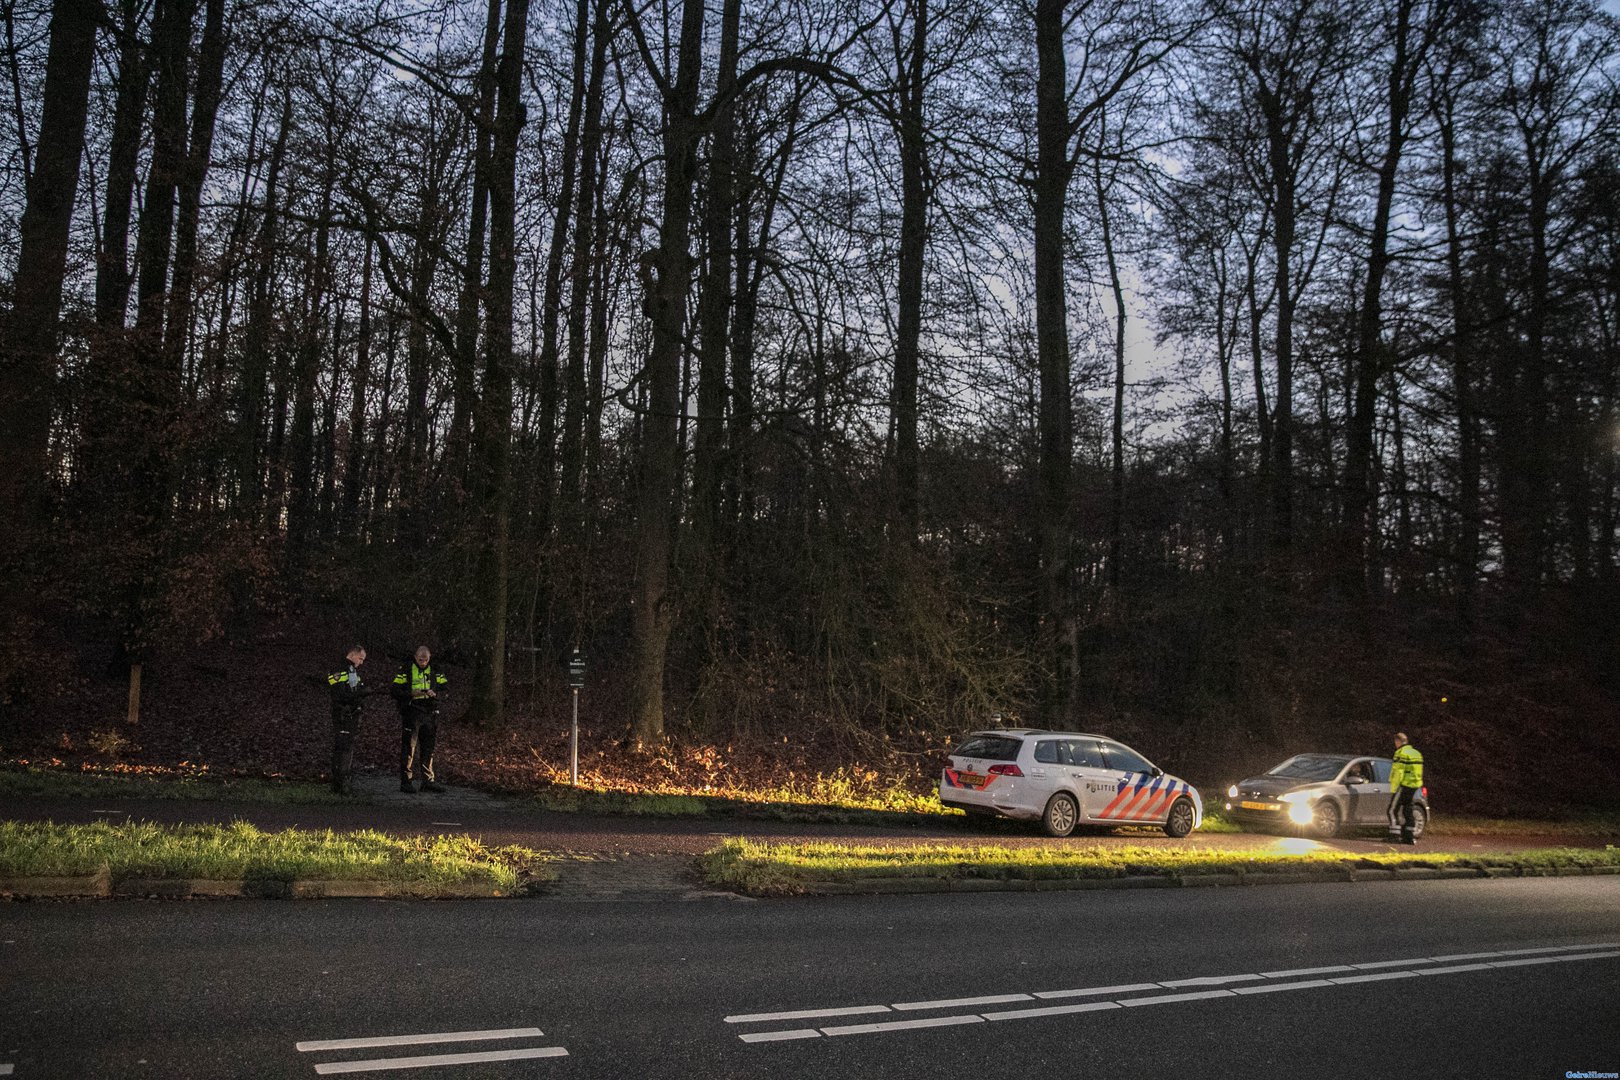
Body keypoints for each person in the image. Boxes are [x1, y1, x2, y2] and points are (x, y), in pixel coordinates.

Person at [393, 645, 449, 793]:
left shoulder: (435, 670)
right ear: (415, 657)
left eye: (425, 660)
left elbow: (445, 689)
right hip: (412, 711)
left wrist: (435, 693)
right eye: (420, 660)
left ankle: (428, 781)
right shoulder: (406, 669)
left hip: (430, 712)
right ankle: (406, 782)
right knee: (409, 748)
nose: (423, 662)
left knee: (428, 748)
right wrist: (411, 693)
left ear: (430, 658)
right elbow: (395, 690)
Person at [325, 645, 371, 795]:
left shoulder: (352, 670)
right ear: (352, 654)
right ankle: (339, 784)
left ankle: (344, 782)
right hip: (342, 713)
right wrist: (359, 694)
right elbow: (339, 694)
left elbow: (354, 688)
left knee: (347, 747)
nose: (361, 662)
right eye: (360, 658)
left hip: (352, 713)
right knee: (342, 748)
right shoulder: (339, 669)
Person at [1387, 731, 1424, 844]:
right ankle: (1409, 837)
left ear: (1398, 741)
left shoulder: (1401, 753)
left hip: (1403, 785)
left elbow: (1399, 772)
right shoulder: (1416, 753)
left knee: (1392, 810)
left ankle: (1395, 835)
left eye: (1395, 742)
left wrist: (1394, 788)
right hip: (1414, 786)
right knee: (1408, 810)